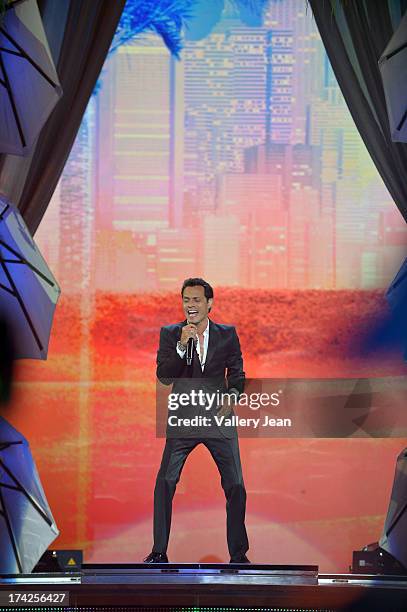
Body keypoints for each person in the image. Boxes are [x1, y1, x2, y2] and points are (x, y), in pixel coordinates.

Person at [144, 277, 249, 564]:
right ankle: (158, 551)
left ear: (209, 303)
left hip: (218, 418)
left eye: (196, 300)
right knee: (165, 481)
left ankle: (239, 555)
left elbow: (237, 372)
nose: (191, 305)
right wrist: (180, 347)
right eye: (186, 300)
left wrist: (232, 396)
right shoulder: (171, 333)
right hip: (184, 419)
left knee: (236, 484)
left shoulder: (227, 334)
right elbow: (165, 375)